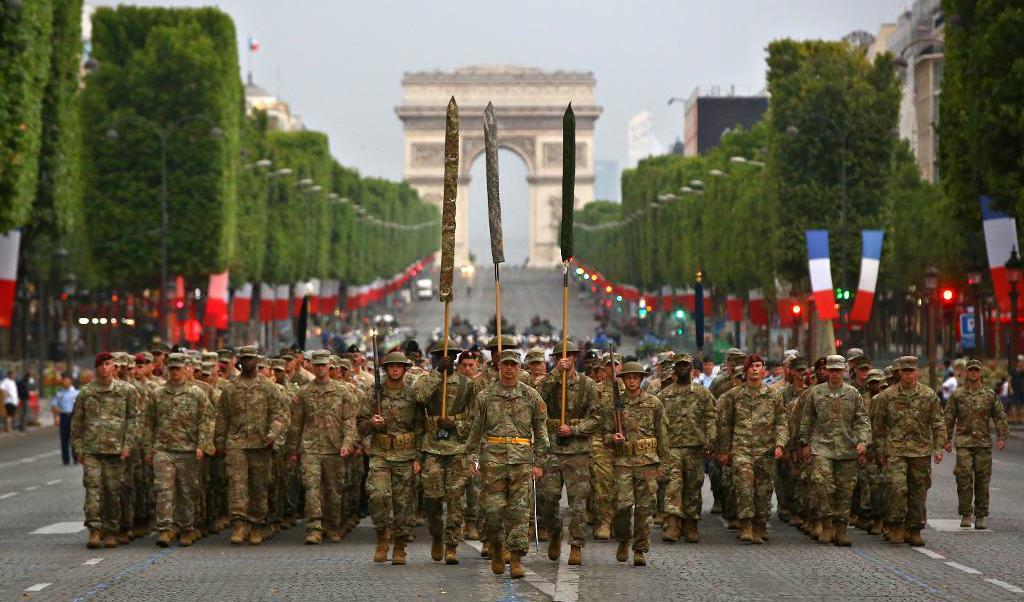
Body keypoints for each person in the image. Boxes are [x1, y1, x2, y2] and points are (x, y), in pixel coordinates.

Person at [466, 349, 548, 579]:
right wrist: (471, 455)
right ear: (499, 367)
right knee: (492, 512)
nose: (509, 368)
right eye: (505, 364)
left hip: (522, 460)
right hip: (493, 460)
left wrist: (540, 462)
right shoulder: (485, 396)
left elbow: (541, 432)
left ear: (519, 367)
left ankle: (517, 559)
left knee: (519, 513)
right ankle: (496, 548)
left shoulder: (531, 396)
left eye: (514, 364)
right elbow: (475, 430)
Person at [413, 340, 478, 565]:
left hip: (457, 448)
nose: (447, 359)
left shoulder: (466, 385)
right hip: (432, 448)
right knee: (432, 497)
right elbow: (419, 397)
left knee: (455, 498)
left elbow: (475, 419)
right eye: (442, 356)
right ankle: (437, 534)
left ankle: (451, 544)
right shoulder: (427, 380)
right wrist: (437, 372)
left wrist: (456, 426)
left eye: (451, 356)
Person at [219, 345, 290, 546]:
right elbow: (222, 417)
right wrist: (219, 442)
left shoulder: (268, 387)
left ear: (257, 361)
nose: (248, 362)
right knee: (236, 485)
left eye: (251, 358)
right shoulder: (230, 389)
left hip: (261, 445)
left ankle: (257, 524)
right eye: (245, 359)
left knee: (259, 486)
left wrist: (272, 434)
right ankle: (239, 525)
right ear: (240, 362)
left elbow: (281, 414)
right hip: (237, 443)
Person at [536, 339, 599, 565]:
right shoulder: (549, 382)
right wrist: (555, 375)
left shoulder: (587, 384)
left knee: (579, 502)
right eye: (562, 356)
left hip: (578, 450)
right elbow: (535, 399)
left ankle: (576, 545)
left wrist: (574, 429)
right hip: (552, 448)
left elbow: (596, 419)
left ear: (575, 358)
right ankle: (554, 532)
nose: (566, 359)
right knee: (547, 498)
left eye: (570, 355)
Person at [70, 352, 142, 548]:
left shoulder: (126, 391)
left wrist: (128, 445)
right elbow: (77, 423)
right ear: (96, 368)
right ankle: (94, 530)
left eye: (108, 364)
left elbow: (134, 420)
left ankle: (111, 530)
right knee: (93, 491)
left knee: (113, 492)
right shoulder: (86, 393)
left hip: (116, 451)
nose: (104, 368)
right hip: (92, 451)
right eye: (100, 365)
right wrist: (79, 450)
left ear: (114, 367)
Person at [357, 351, 422, 565]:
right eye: (391, 366)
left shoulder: (413, 395)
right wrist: (371, 424)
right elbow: (360, 425)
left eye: (399, 366)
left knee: (404, 504)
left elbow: (421, 427)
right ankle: (382, 537)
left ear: (405, 369)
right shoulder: (373, 393)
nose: (395, 369)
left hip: (406, 454)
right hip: (381, 454)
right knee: (377, 496)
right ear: (385, 369)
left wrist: (418, 458)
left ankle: (400, 545)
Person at [798, 355, 870, 546]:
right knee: (822, 485)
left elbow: (862, 420)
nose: (835, 374)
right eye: (832, 370)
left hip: (847, 449)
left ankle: (841, 529)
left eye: (839, 370)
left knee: (845, 491)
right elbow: (807, 420)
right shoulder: (816, 393)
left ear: (845, 371)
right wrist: (804, 443)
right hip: (822, 447)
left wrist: (863, 441)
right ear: (827, 372)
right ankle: (826, 524)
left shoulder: (853, 394)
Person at [873, 356, 945, 546]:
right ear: (899, 373)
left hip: (920, 451)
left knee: (918, 491)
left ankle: (914, 529)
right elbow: (879, 427)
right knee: (897, 487)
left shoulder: (928, 395)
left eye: (911, 371)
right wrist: (879, 451)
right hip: (895, 450)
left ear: (917, 372)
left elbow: (938, 423)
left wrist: (938, 448)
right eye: (904, 371)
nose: (907, 375)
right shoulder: (887, 396)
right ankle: (896, 525)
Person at [146, 353, 215, 547]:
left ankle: (186, 527)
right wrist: (149, 450)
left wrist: (203, 445)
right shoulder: (158, 394)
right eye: (172, 368)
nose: (175, 372)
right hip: (163, 449)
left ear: (186, 369)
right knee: (164, 490)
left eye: (178, 368)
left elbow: (207, 421)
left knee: (187, 491)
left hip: (188, 449)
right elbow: (148, 423)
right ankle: (166, 529)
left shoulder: (196, 394)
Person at [717, 354, 788, 545]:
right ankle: (746, 525)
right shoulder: (735, 395)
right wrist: (724, 450)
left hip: (766, 450)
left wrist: (780, 444)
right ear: (746, 370)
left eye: (759, 366)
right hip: (742, 449)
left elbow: (781, 422)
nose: (756, 369)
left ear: (763, 370)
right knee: (744, 487)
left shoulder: (774, 395)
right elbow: (726, 424)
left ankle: (760, 525)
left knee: (764, 490)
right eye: (752, 366)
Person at [603, 361, 667, 566]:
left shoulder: (654, 403)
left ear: (641, 379)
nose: (632, 381)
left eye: (635, 377)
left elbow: (663, 435)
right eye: (628, 377)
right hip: (623, 461)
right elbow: (603, 434)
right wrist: (613, 438)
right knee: (622, 506)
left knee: (645, 509)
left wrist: (663, 464)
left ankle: (639, 548)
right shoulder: (615, 405)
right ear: (623, 380)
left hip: (647, 462)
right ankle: (623, 538)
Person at [292, 350, 357, 545]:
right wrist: (293, 450)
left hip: (334, 447)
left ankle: (333, 525)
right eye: (316, 365)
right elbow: (296, 424)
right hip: (310, 448)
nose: (320, 369)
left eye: (323, 365)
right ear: (310, 366)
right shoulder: (303, 393)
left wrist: (347, 443)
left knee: (333, 490)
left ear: (330, 366)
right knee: (312, 488)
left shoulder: (343, 392)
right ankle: (314, 528)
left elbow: (349, 421)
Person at [944, 358, 1009, 530]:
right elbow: (949, 417)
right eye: (971, 370)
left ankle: (980, 515)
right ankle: (966, 513)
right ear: (966, 372)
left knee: (982, 480)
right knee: (963, 478)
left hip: (983, 444)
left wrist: (1002, 436)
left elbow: (1000, 416)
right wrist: (946, 439)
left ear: (981, 373)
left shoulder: (989, 395)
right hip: (964, 443)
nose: (973, 373)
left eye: (976, 370)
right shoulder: (957, 395)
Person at [658, 353, 716, 544]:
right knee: (673, 485)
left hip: (695, 448)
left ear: (692, 370)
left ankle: (691, 525)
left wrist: (711, 440)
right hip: (672, 447)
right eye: (679, 366)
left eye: (686, 366)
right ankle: (672, 525)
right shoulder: (665, 395)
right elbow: (657, 423)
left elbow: (711, 418)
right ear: (674, 370)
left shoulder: (702, 394)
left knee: (693, 486)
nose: (682, 369)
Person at [51, 373, 79, 465]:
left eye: (66, 380)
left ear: (70, 381)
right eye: (63, 380)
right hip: (63, 417)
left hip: (74, 417)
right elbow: (54, 406)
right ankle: (65, 460)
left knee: (74, 439)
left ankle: (76, 458)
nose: (64, 382)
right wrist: (55, 418)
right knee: (64, 440)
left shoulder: (76, 393)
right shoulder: (59, 394)